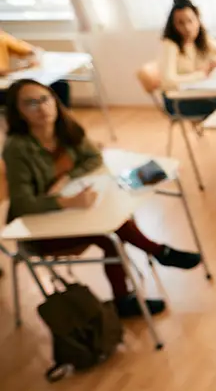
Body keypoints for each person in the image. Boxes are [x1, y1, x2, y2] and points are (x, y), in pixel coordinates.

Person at [3, 79, 204, 319]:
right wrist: (67, 202)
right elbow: (23, 203)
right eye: (30, 103)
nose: (42, 108)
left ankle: (157, 258)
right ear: (18, 112)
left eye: (45, 99)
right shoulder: (17, 148)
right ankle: (147, 269)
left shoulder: (65, 127)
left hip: (72, 213)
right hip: (40, 228)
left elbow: (94, 158)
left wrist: (67, 178)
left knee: (118, 219)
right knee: (110, 238)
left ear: (54, 100)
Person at [159, 0, 216, 120]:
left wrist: (215, 61)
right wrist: (202, 73)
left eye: (190, 21)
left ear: (198, 20)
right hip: (177, 101)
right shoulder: (170, 45)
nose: (187, 27)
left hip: (196, 92)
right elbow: (168, 81)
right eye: (180, 23)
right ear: (173, 26)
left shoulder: (200, 40)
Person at [0, 28, 70, 106]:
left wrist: (32, 60)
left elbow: (34, 51)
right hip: (3, 87)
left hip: (6, 81)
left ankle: (61, 117)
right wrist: (24, 69)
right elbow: (2, 72)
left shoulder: (2, 37)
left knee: (60, 83)